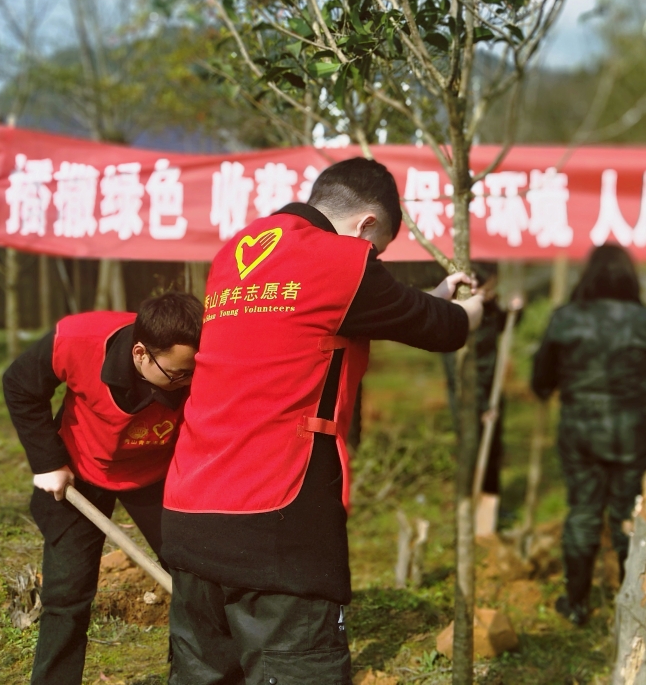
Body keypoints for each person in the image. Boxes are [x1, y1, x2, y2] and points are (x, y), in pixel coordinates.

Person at [161, 157, 484, 684]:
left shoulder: (237, 253)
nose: (372, 262)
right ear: (367, 227)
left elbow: (343, 315)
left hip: (191, 506)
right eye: (376, 253)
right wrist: (472, 308)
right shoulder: (343, 260)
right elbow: (445, 330)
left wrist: (431, 297)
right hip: (275, 516)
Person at [2, 291, 203, 685]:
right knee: (67, 597)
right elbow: (20, 385)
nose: (187, 383)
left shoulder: (195, 362)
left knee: (194, 577)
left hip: (160, 471)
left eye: (192, 372)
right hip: (80, 471)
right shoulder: (78, 341)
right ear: (141, 353)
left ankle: (193, 675)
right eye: (178, 375)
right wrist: (47, 462)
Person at [531, 244, 646, 626]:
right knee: (628, 514)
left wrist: (547, 390)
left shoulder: (565, 318)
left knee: (584, 510)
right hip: (632, 428)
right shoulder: (645, 320)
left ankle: (576, 602)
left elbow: (542, 375)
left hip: (580, 426)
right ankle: (631, 602)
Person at [442, 264, 522, 498]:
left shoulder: (487, 306)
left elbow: (503, 324)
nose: (492, 291)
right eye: (490, 286)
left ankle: (490, 501)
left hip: (490, 391)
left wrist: (516, 310)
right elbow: (463, 370)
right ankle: (469, 501)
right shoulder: (461, 316)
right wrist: (483, 406)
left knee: (493, 448)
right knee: (474, 448)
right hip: (470, 397)